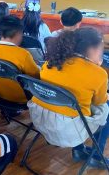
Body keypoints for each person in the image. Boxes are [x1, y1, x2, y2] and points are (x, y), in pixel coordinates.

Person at [29, 27, 108, 169]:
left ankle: (79, 150)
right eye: (101, 49)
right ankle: (96, 156)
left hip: (40, 121)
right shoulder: (98, 73)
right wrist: (96, 68)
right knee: (106, 108)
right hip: (69, 131)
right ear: (92, 49)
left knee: (76, 102)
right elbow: (99, 102)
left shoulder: (50, 62)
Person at [0, 15, 39, 104]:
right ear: (18, 34)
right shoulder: (23, 54)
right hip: (21, 97)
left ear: (0, 32)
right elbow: (36, 77)